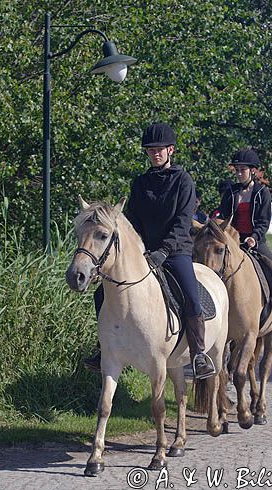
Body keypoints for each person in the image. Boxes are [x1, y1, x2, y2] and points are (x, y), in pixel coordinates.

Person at [85, 123, 215, 378]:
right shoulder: (140, 183)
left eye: (159, 149)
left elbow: (183, 222)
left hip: (176, 252)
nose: (155, 154)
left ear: (170, 150)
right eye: (150, 150)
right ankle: (104, 347)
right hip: (144, 253)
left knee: (190, 295)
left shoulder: (183, 181)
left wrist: (164, 251)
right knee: (102, 293)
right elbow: (132, 221)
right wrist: (137, 250)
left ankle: (199, 353)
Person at [211, 148, 272, 333]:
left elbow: (264, 222)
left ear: (253, 171)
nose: (239, 173)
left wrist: (254, 237)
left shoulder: (262, 192)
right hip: (233, 242)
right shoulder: (231, 192)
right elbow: (223, 216)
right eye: (237, 170)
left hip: (255, 241)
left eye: (243, 170)